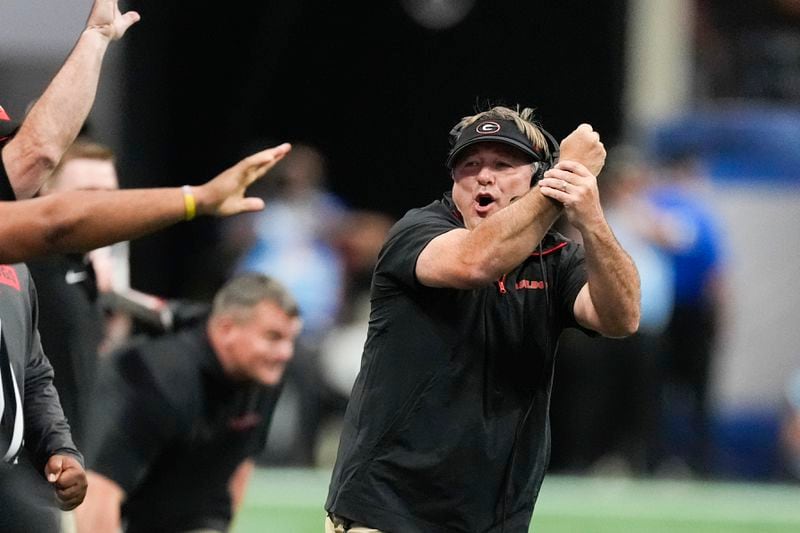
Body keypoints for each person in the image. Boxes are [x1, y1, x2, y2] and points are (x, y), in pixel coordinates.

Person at [325, 105, 640, 533]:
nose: (483, 176)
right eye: (469, 165)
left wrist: (592, 219)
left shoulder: (555, 258)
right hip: (389, 508)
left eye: (502, 164)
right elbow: (475, 263)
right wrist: (560, 179)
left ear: (533, 175)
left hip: (493, 517)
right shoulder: (419, 231)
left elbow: (621, 317)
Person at [74, 273, 303, 533]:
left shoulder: (264, 375)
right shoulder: (157, 379)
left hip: (190, 513)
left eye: (290, 340)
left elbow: (241, 463)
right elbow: (98, 493)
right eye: (273, 337)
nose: (285, 353)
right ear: (226, 329)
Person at [27, 139, 123, 448]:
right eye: (87, 192)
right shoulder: (24, 269)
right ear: (46, 192)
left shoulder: (88, 271)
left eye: (110, 194)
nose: (102, 205)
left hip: (68, 460)